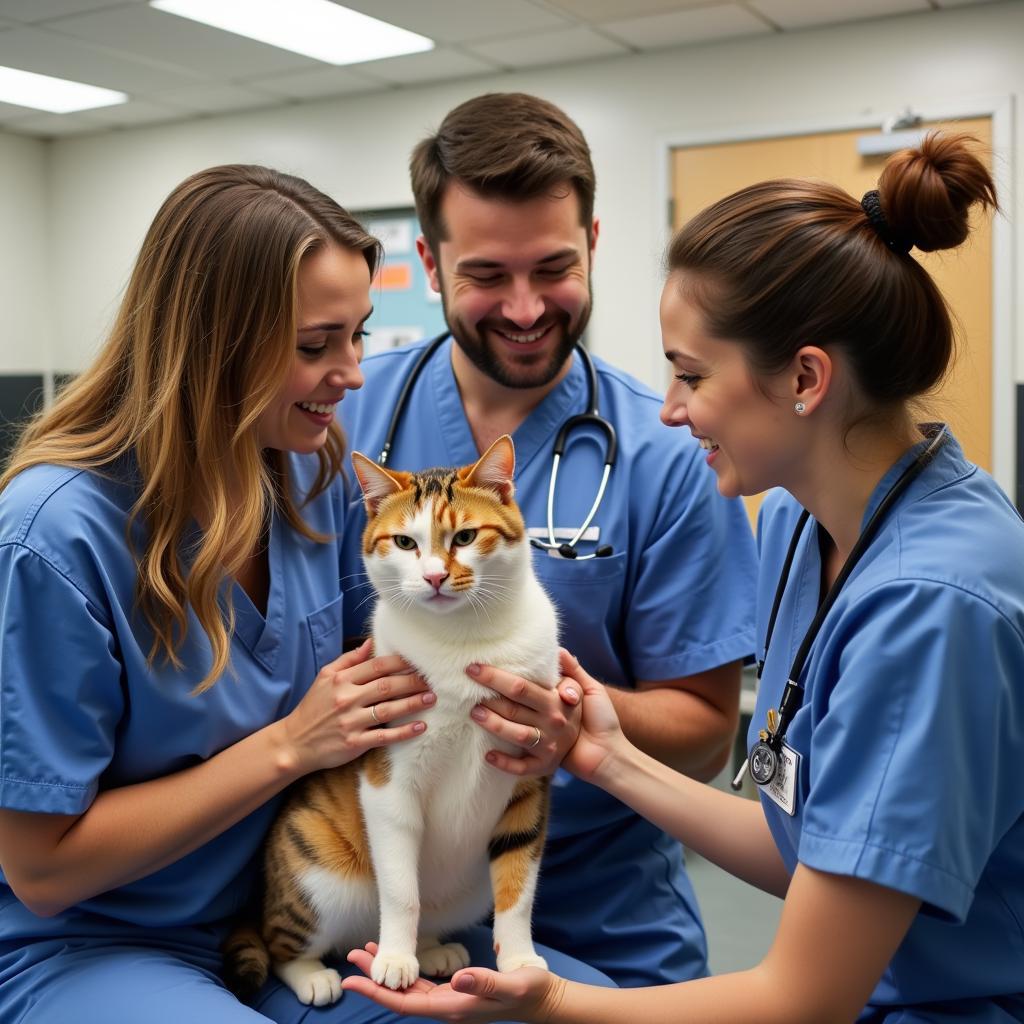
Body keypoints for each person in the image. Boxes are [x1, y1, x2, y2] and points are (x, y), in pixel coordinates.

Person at [341, 133, 1024, 1022]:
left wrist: (544, 1005)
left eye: (691, 375)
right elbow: (820, 846)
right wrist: (608, 757)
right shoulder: (796, 522)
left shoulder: (931, 609)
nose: (666, 409)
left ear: (807, 380)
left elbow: (802, 999)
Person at [0, 164, 607, 1024]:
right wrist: (288, 747)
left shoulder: (306, 483)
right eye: (317, 346)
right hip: (92, 940)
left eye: (358, 336)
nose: (354, 374)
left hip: (296, 909)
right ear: (215, 344)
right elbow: (43, 869)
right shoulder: (52, 538)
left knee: (578, 1012)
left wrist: (521, 729)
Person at [338, 92, 758, 987]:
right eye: (487, 274)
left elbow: (708, 731)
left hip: (605, 918)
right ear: (429, 261)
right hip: (383, 900)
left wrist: (568, 719)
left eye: (554, 268)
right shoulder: (344, 424)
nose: (526, 309)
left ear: (595, 245)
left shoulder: (671, 454)